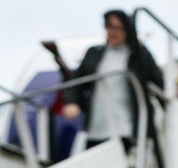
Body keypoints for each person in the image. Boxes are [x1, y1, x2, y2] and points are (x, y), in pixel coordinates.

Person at [62, 9, 163, 150]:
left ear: (127, 30)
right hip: (96, 127)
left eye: (117, 28)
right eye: (109, 27)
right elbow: (77, 82)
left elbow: (159, 83)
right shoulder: (94, 53)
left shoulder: (139, 55)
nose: (112, 32)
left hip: (126, 127)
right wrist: (72, 102)